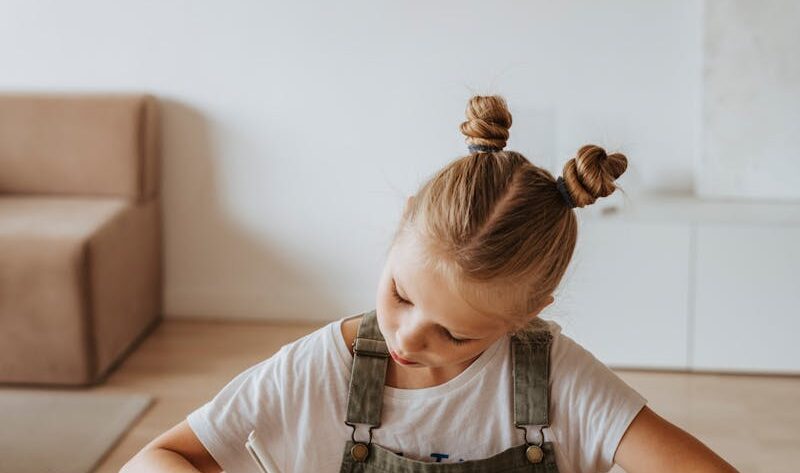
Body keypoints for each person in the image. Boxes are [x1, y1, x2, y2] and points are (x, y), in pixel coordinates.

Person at [121, 96, 740, 473]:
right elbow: (157, 457)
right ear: (402, 222)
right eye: (402, 294)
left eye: (456, 333)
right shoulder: (316, 371)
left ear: (527, 315)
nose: (410, 336)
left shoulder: (558, 382)